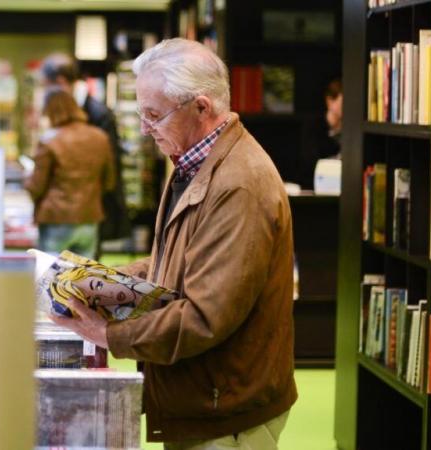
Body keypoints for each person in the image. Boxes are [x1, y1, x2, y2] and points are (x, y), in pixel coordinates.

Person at [51, 38, 297, 450]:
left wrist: (110, 335)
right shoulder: (195, 161)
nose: (145, 129)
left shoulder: (238, 185)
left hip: (225, 409)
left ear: (201, 107)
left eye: (154, 115)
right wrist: (99, 280)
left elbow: (205, 316)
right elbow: (180, 258)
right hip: (204, 397)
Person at [41, 53, 131, 250]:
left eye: (46, 84)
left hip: (89, 214)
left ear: (61, 82)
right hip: (80, 214)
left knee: (81, 275)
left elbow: (110, 172)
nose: (45, 91)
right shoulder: (77, 109)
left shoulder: (98, 113)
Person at [24, 88, 115, 259]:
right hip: (89, 217)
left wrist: (26, 179)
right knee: (84, 278)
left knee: (49, 277)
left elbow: (36, 186)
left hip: (56, 218)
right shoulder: (100, 137)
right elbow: (109, 181)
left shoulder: (49, 140)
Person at [299, 78, 342, 188]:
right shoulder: (313, 126)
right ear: (329, 101)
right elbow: (310, 161)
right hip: (314, 185)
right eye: (343, 103)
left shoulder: (350, 130)